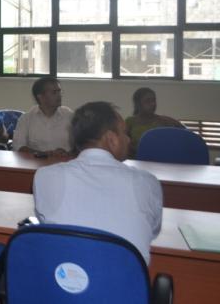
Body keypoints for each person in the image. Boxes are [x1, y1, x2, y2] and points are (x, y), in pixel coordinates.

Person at [33, 101, 163, 264]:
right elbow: (153, 231)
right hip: (123, 279)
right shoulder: (147, 183)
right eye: (124, 133)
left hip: (64, 275)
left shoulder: (46, 176)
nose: (128, 140)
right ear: (111, 139)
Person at [12, 76, 74, 156]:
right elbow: (18, 146)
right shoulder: (26, 119)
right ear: (40, 96)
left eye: (59, 91)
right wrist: (44, 154)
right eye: (54, 92)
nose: (59, 95)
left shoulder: (69, 116)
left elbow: (82, 144)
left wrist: (68, 153)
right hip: (36, 162)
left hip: (66, 162)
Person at [126, 87, 184, 157]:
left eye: (154, 100)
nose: (153, 104)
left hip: (160, 159)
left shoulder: (165, 121)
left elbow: (186, 136)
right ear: (138, 104)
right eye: (148, 101)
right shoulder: (130, 122)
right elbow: (124, 144)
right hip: (136, 160)